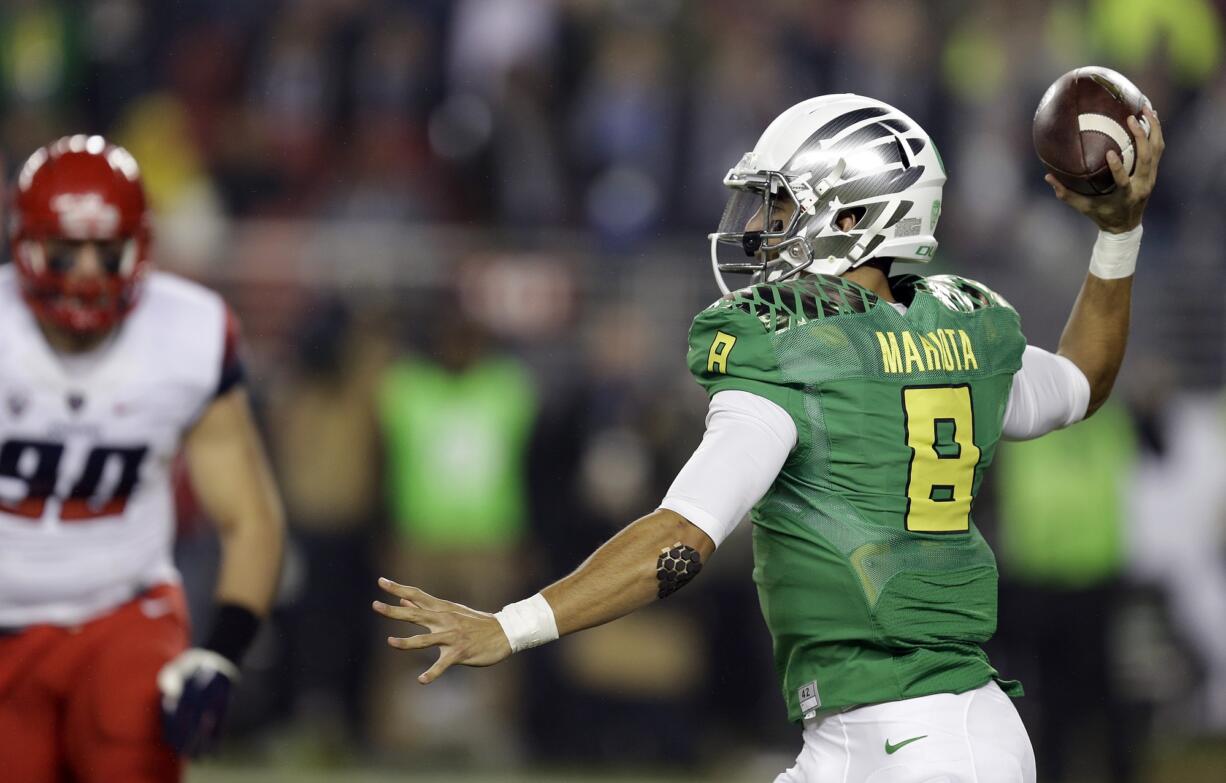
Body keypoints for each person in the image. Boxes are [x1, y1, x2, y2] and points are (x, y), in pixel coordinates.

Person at [374, 94, 1163, 781]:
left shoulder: (792, 353)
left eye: (780, 208)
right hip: (902, 734)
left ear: (855, 216)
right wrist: (1118, 237)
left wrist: (507, 626)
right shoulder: (961, 333)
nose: (758, 229)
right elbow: (1081, 382)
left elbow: (680, 539)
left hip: (917, 741)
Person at [0, 135, 285, 782]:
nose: (87, 272)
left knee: (130, 754)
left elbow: (250, 517)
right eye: (66, 250)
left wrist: (222, 651)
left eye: (107, 250)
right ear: (25, 243)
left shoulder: (188, 333)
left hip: (122, 614)